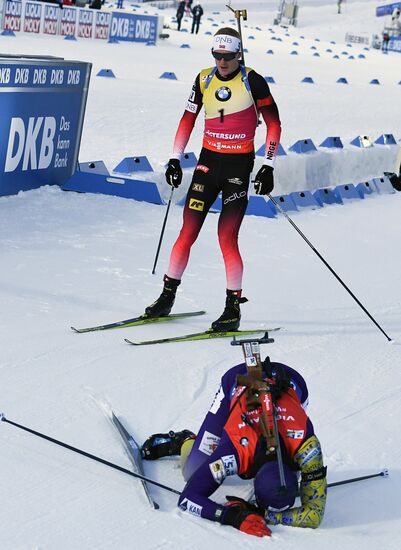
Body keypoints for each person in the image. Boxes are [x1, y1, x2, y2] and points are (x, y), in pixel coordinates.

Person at [144, 27, 281, 331]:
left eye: (228, 56)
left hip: (237, 168)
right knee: (187, 232)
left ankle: (232, 309)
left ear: (238, 55)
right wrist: (175, 159)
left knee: (226, 238)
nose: (222, 62)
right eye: (217, 55)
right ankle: (167, 297)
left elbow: (274, 124)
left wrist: (268, 164)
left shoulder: (252, 80)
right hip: (207, 164)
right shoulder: (203, 78)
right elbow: (187, 119)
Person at [142, 358, 327, 537]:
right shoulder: (235, 453)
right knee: (192, 471)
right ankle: (186, 441)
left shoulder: (307, 449)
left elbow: (315, 517)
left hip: (291, 382)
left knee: (282, 486)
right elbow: (187, 499)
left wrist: (261, 514)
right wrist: (233, 517)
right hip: (237, 381)